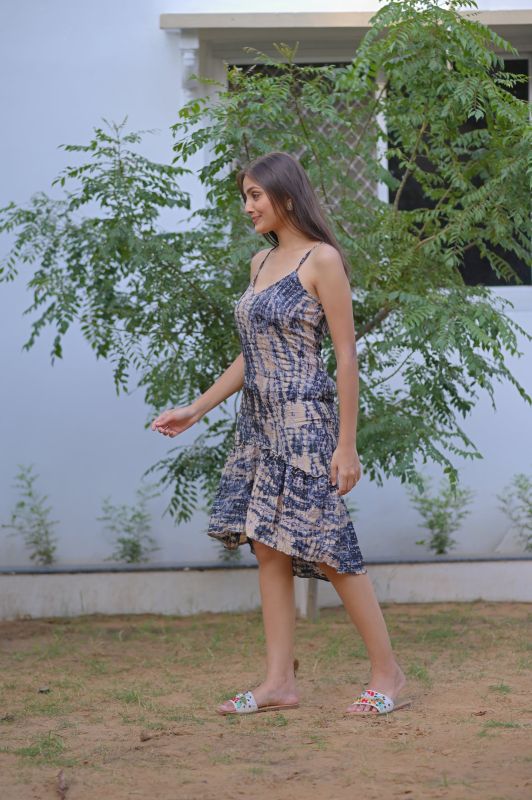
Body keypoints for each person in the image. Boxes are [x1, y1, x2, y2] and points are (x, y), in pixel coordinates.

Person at [151, 151, 411, 717]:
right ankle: (278, 683)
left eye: (255, 196)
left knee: (329, 547)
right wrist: (196, 409)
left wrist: (347, 445)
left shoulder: (323, 260)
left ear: (286, 196)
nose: (247, 207)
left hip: (306, 423)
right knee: (267, 546)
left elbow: (346, 357)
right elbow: (252, 354)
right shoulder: (260, 262)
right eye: (244, 197)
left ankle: (388, 674)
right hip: (260, 424)